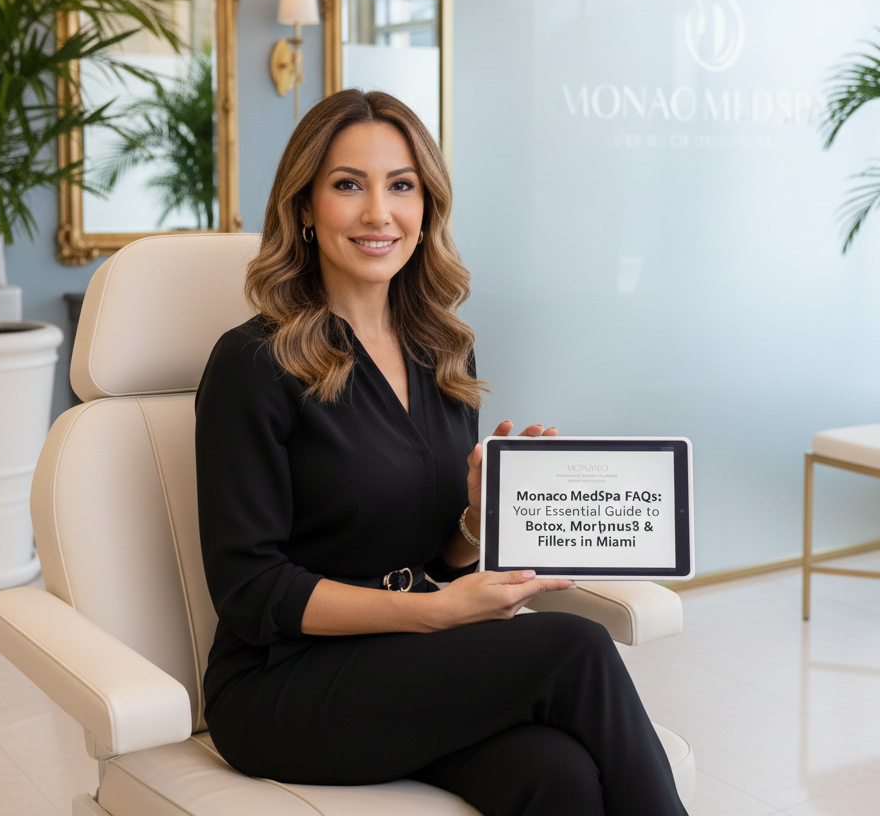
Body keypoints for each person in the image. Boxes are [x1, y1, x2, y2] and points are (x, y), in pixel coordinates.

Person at [195, 89, 689, 816]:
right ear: (303, 207)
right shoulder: (253, 365)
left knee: (558, 777)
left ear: (426, 206)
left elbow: (432, 560)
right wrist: (437, 613)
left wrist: (473, 524)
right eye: (346, 186)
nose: (377, 213)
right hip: (283, 683)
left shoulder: (443, 351)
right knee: (574, 649)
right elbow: (250, 590)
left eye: (401, 185)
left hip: (403, 662)